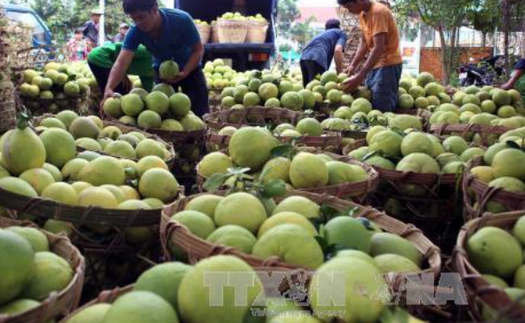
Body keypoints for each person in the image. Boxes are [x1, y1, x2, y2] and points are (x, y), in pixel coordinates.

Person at [101, 0, 209, 117]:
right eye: (134, 19)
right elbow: (122, 62)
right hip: (163, 74)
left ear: (154, 9)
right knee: (164, 116)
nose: (138, 23)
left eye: (141, 17)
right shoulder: (135, 31)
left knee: (200, 114)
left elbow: (198, 50)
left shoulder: (181, 20)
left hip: (191, 68)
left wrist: (185, 71)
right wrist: (109, 88)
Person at [339, 0, 403, 112]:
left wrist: (360, 75)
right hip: (375, 65)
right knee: (370, 101)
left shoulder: (378, 12)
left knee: (381, 106)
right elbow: (364, 43)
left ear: (358, 1)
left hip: (388, 65)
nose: (349, 11)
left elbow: (379, 47)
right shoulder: (362, 14)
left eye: (349, 7)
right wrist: (353, 65)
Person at [88, 43, 154, 95]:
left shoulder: (150, 74)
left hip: (105, 62)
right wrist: (122, 74)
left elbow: (149, 91)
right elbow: (120, 47)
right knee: (115, 93)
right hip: (100, 56)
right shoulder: (147, 52)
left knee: (121, 92)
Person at [300, 19, 347, 88]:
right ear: (339, 27)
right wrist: (339, 72)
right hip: (316, 58)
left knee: (308, 89)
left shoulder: (321, 35)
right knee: (318, 90)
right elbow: (337, 50)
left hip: (303, 57)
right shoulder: (341, 33)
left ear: (326, 28)